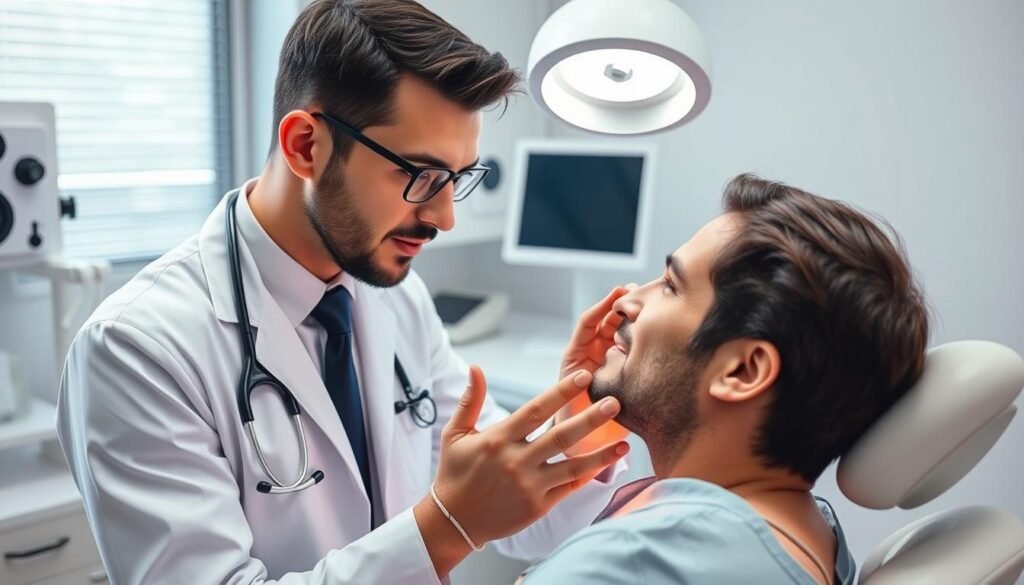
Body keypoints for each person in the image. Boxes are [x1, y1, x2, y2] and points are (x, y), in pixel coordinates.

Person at [55, 1, 634, 583]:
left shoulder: (395, 297)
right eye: (421, 176)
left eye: (456, 179)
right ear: (306, 145)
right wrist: (445, 528)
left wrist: (590, 414)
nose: (443, 217)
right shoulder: (137, 349)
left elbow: (523, 513)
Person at [518, 174, 931, 585]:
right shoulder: (816, 533)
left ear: (743, 371)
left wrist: (452, 528)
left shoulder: (633, 563)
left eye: (669, 286)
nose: (627, 301)